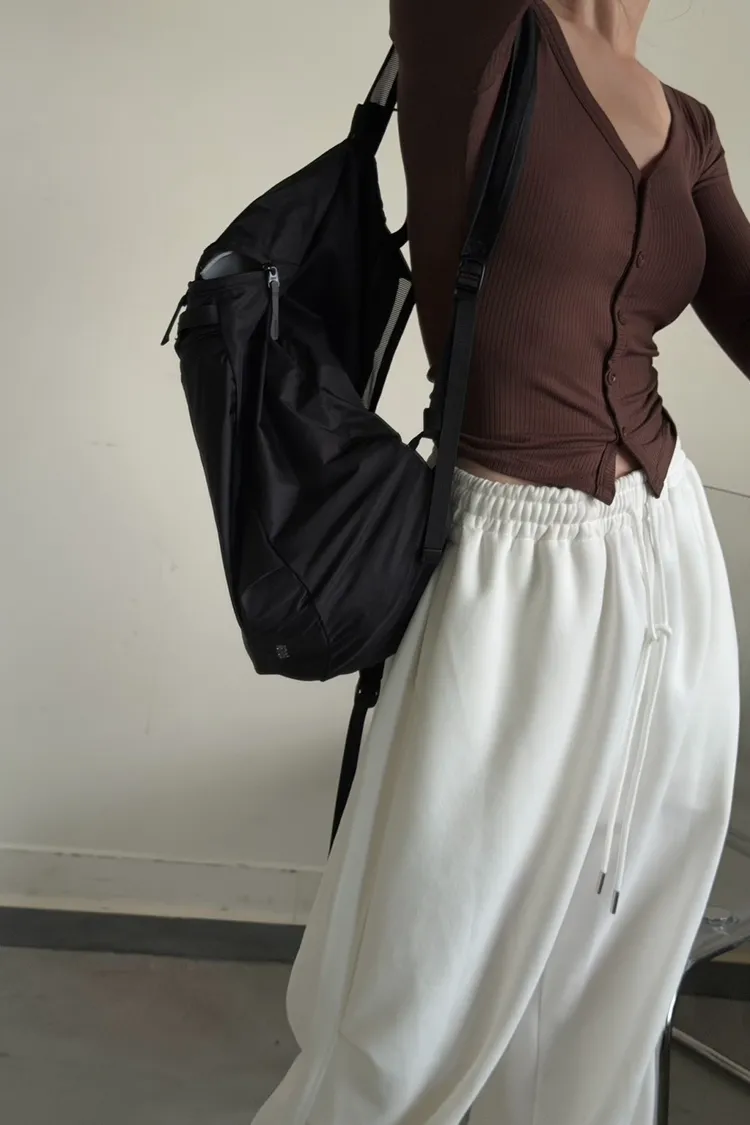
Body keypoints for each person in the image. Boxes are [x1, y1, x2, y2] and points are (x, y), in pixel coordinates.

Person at [252, 3, 748, 1124]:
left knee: (614, 965)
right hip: (515, 566)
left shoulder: (689, 124)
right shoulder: (471, 25)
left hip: (668, 559)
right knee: (417, 984)